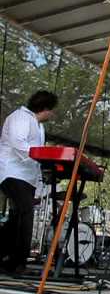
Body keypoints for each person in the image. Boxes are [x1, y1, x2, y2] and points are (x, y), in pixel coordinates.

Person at [0, 91, 58, 273]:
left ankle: (6, 257)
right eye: (52, 110)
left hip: (26, 177)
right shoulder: (20, 117)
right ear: (45, 109)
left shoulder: (38, 125)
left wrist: (39, 187)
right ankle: (19, 262)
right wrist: (44, 156)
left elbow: (35, 159)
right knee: (25, 213)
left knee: (17, 216)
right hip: (12, 172)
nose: (52, 114)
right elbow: (18, 143)